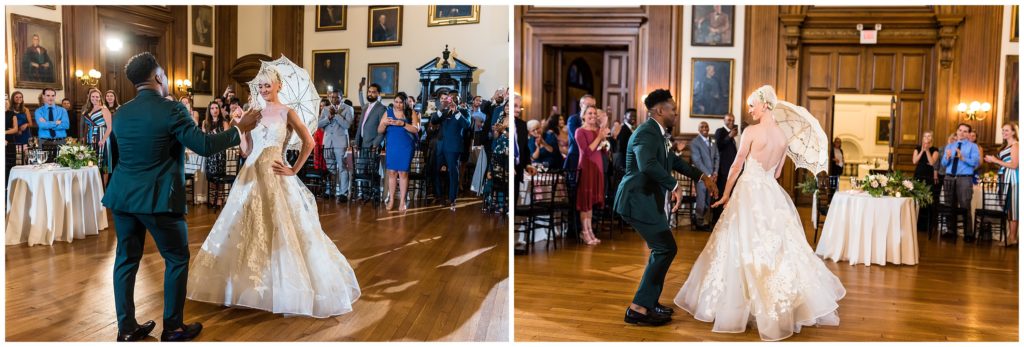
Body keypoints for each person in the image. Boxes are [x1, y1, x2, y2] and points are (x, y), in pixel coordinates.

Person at [102, 52, 261, 342]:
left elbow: (115, 155)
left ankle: (126, 329)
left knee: (125, 260)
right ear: (158, 76)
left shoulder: (121, 112)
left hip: (122, 197)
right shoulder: (171, 109)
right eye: (163, 73)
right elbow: (202, 145)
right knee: (176, 258)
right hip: (158, 198)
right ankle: (173, 328)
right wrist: (240, 129)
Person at [186, 66, 360, 320]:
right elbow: (245, 150)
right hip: (250, 174)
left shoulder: (287, 112)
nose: (264, 89)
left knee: (279, 228)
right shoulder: (252, 112)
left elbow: (309, 142)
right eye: (261, 86)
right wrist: (241, 127)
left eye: (268, 85)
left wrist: (294, 170)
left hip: (276, 174)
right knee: (245, 229)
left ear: (279, 85)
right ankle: (242, 287)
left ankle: (279, 288)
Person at [675, 85, 845, 341]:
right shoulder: (783, 137)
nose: (750, 109)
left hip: (748, 191)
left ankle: (738, 304)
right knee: (777, 245)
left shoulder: (752, 132)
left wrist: (726, 194)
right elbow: (777, 174)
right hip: (771, 193)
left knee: (740, 243)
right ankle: (781, 303)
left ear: (765, 105)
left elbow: (736, 166)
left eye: (753, 104)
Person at [614, 89, 717, 326]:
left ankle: (648, 302)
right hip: (635, 200)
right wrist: (674, 186)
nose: (676, 112)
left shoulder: (660, 134)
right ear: (659, 110)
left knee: (664, 249)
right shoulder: (645, 132)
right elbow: (647, 164)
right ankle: (638, 308)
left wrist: (702, 177)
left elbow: (675, 161)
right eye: (672, 108)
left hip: (647, 200)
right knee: (664, 248)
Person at [378, 92, 420, 212]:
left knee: (403, 173)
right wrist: (384, 124)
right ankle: (391, 199)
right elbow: (380, 130)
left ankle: (402, 201)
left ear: (405, 102)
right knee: (391, 173)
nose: (398, 104)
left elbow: (416, 129)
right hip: (392, 146)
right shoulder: (388, 112)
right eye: (396, 102)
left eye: (401, 102)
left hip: (406, 146)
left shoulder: (410, 112)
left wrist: (402, 123)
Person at [430, 91, 471, 210]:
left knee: (453, 172)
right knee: (435, 170)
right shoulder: (443, 111)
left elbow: (466, 125)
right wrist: (442, 108)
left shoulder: (463, 111)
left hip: (453, 147)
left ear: (458, 100)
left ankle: (452, 198)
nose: (451, 100)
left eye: (454, 98)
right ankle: (439, 196)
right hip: (441, 145)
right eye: (450, 98)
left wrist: (456, 111)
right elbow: (433, 120)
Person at [575, 105, 610, 245]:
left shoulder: (597, 131)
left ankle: (590, 231)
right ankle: (584, 232)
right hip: (586, 167)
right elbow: (587, 151)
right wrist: (600, 137)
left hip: (597, 168)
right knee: (585, 202)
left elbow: (601, 151)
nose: (592, 116)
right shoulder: (579, 131)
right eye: (589, 113)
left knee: (591, 203)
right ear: (583, 115)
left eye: (594, 114)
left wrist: (605, 144)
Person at [940, 123, 980, 241]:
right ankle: (950, 231)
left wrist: (963, 158)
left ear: (968, 134)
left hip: (964, 179)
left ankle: (968, 234)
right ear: (956, 131)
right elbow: (943, 164)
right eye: (960, 130)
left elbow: (975, 163)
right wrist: (947, 158)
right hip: (949, 178)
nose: (962, 133)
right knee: (949, 205)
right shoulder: (950, 146)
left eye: (965, 131)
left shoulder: (973, 147)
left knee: (965, 206)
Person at [984, 122, 1018, 246]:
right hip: (1005, 178)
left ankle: (1013, 238)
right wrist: (992, 160)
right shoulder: (1005, 146)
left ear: (1014, 132)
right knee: (1009, 208)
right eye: (1003, 130)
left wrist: (995, 160)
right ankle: (1011, 237)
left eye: (1007, 130)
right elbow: (1004, 163)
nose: (1004, 132)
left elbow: (1014, 165)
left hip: (1013, 179)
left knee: (1013, 209)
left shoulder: (1015, 145)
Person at [318, 90, 354, 202]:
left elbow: (347, 125)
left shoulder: (348, 108)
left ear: (341, 97)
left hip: (341, 142)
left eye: (336, 97)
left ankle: (343, 193)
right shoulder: (325, 109)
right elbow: (318, 124)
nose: (334, 99)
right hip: (328, 142)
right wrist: (328, 118)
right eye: (332, 97)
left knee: (342, 167)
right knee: (330, 168)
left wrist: (336, 115)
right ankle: (330, 191)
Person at [689, 121, 719, 230]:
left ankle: (705, 222)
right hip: (701, 176)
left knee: (708, 199)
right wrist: (709, 174)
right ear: (699, 129)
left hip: (712, 176)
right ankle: (699, 222)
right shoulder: (694, 143)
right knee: (701, 198)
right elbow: (697, 161)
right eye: (702, 126)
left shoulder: (713, 141)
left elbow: (717, 157)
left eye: (706, 126)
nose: (705, 128)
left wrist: (715, 172)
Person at [82, 88, 114, 182]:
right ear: (89, 98)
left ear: (100, 97)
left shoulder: (104, 109)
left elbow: (109, 127)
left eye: (97, 96)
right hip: (90, 138)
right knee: (91, 161)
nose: (95, 98)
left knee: (104, 163)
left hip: (101, 137)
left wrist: (103, 140)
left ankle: (103, 190)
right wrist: (84, 138)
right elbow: (87, 127)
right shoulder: (88, 110)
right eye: (93, 96)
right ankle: (94, 187)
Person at [713, 113, 738, 223]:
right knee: (722, 193)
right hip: (723, 169)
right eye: (728, 120)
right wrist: (729, 136)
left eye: (732, 120)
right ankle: (717, 219)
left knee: (729, 193)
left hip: (731, 170)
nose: (731, 122)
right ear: (724, 120)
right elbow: (718, 146)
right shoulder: (720, 131)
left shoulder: (732, 134)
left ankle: (726, 218)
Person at [913, 131, 940, 232]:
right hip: (919, 174)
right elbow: (915, 161)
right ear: (922, 138)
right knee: (917, 199)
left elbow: (932, 162)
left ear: (932, 138)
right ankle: (916, 224)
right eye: (925, 136)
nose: (927, 138)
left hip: (928, 176)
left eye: (929, 136)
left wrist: (927, 150)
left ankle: (926, 225)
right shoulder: (917, 148)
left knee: (927, 199)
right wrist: (922, 151)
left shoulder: (935, 150)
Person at [356, 82, 386, 149]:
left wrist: (375, 144)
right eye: (369, 92)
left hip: (373, 146)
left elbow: (383, 129)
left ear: (378, 94)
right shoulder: (366, 106)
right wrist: (357, 142)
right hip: (362, 143)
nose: (370, 94)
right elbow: (361, 125)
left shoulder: (381, 108)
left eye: (373, 92)